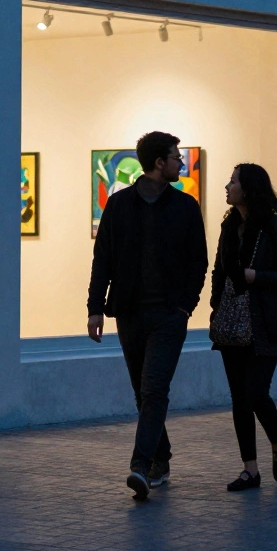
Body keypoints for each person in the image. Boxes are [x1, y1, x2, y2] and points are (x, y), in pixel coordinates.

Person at [87, 131, 208, 500]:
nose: (181, 162)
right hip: (129, 314)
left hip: (169, 317)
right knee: (144, 393)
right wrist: (95, 308)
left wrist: (186, 305)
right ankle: (163, 457)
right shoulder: (120, 205)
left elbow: (198, 261)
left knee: (155, 389)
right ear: (159, 163)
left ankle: (140, 467)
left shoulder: (185, 207)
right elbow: (102, 258)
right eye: (175, 157)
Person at [209, 163, 277, 492]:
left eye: (232, 182)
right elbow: (218, 271)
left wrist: (256, 277)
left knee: (256, 393)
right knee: (238, 398)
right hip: (232, 323)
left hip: (264, 322)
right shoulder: (229, 227)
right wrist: (215, 305)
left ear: (248, 189)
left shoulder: (275, 228)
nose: (226, 186)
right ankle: (250, 470)